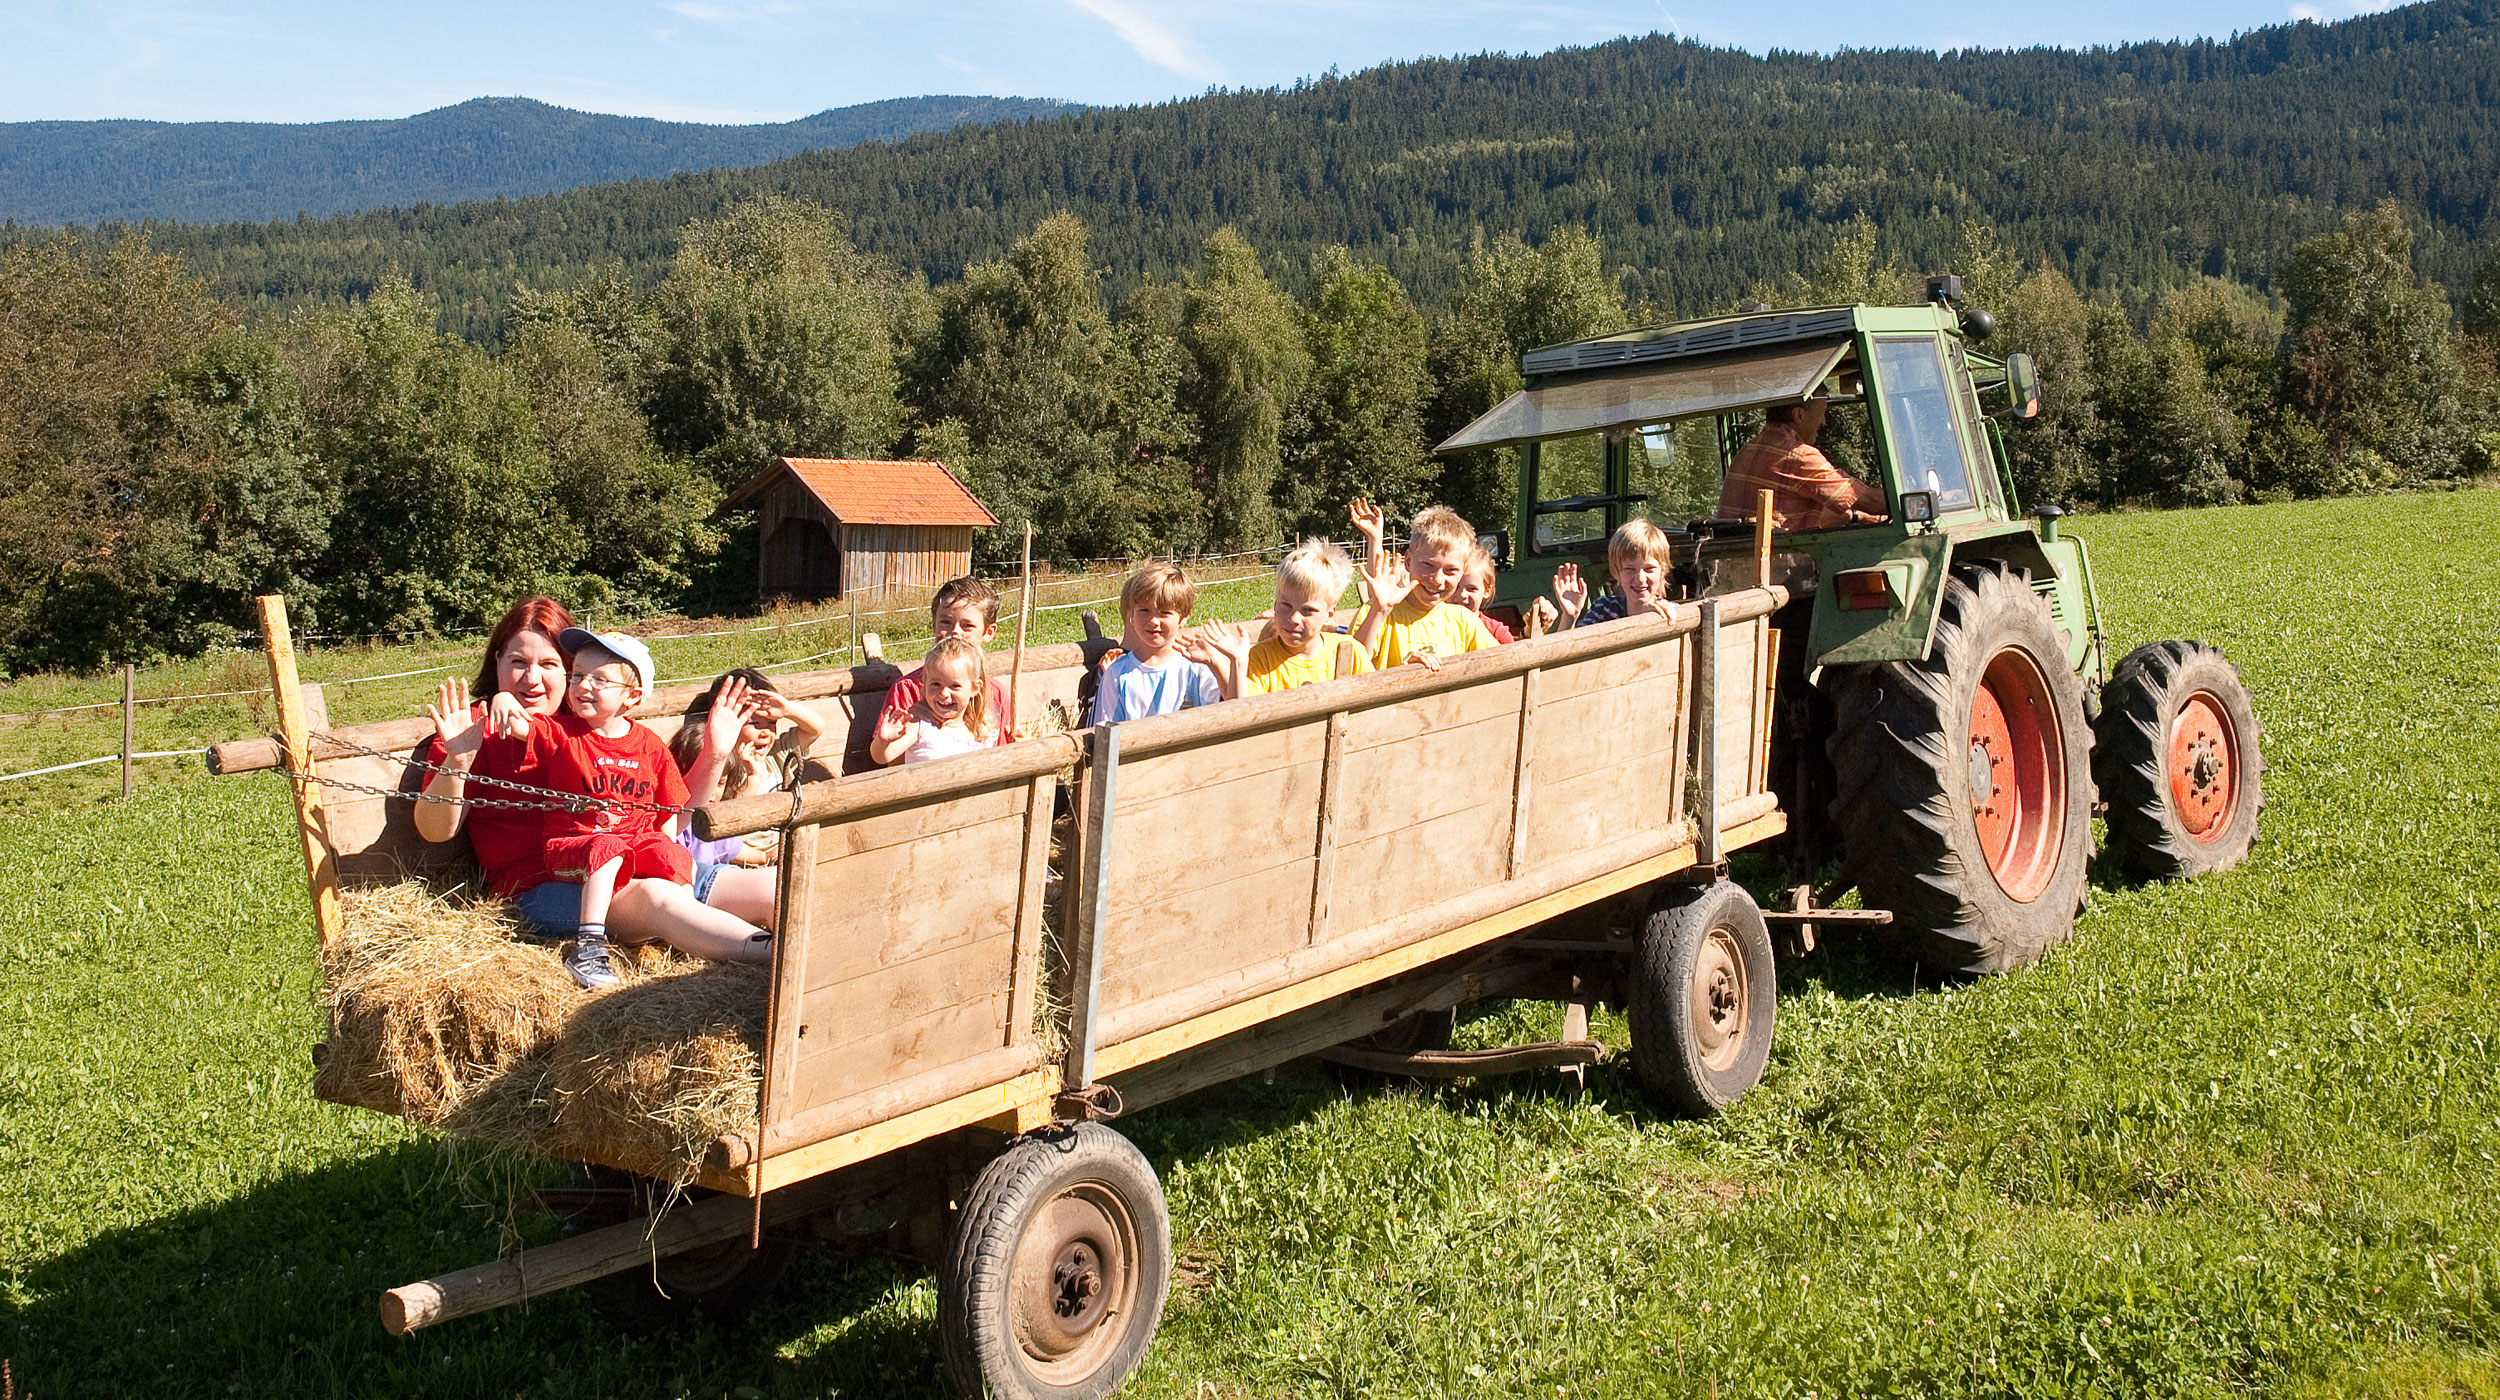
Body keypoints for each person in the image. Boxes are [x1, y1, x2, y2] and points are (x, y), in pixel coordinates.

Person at [420, 599, 774, 968]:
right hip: (547, 888)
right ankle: (773, 954)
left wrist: (716, 752)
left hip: (637, 863)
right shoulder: (473, 730)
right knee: (658, 898)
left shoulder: (604, 727)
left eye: (550, 664)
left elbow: (673, 819)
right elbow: (434, 831)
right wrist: (457, 760)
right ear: (497, 663)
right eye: (518, 662)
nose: (532, 679)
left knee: (770, 888)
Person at [501, 629, 710, 988]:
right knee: (608, 847)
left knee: (675, 855)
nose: (584, 685)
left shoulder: (650, 745)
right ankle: (589, 947)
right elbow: (521, 725)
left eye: (600, 679)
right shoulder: (562, 733)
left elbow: (671, 808)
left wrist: (664, 850)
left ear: (633, 696)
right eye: (578, 675)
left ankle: (681, 937)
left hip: (632, 846)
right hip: (573, 848)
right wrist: (504, 701)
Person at [669, 668, 828, 900]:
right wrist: (752, 780)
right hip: (740, 857)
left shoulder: (777, 755)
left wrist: (787, 709)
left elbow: (816, 728)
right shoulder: (722, 766)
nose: (765, 733)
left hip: (779, 849)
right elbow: (724, 821)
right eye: (755, 723)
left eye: (772, 723)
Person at [1193, 539, 1374, 698]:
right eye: (1285, 606)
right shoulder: (1261, 659)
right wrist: (1238, 661)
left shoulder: (1351, 652)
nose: (1294, 618)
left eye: (1307, 610)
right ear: (1275, 603)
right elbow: (1241, 717)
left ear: (1329, 614)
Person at [1352, 504, 1500, 669]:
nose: (1437, 579)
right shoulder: (1377, 614)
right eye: (1428, 565)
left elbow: (1501, 664)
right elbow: (1350, 668)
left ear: (1462, 572)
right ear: (1408, 561)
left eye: (1450, 570)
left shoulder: (1464, 621)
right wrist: (1378, 612)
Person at [877, 576, 1015, 747]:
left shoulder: (995, 693)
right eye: (946, 622)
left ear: (989, 632)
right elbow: (893, 762)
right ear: (934, 625)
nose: (955, 632)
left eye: (967, 626)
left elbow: (998, 751)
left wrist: (1020, 748)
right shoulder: (909, 689)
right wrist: (912, 720)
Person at [1717, 399, 1888, 531]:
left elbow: (1796, 515)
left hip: (1733, 562)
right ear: (1799, 415)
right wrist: (1911, 505)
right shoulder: (1798, 456)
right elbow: (1871, 501)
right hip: (1778, 566)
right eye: (1822, 413)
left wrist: (1857, 517)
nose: (1824, 422)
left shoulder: (1748, 449)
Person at [1090, 563, 1223, 723]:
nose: (1153, 621)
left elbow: (1225, 718)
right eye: (1144, 611)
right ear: (1131, 614)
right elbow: (1105, 734)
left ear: (1184, 617)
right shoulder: (1117, 675)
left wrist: (1231, 661)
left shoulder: (1196, 669)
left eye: (1164, 613)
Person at [872, 637, 998, 764]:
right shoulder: (920, 725)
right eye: (936, 684)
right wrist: (883, 741)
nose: (943, 693)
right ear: (925, 683)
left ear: (975, 688)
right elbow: (882, 757)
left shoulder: (980, 731)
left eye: (954, 686)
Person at [1553, 519, 1694, 630]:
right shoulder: (1603, 610)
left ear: (1663, 571)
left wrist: (1650, 618)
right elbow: (1566, 657)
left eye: (1649, 568)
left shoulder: (1669, 612)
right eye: (1629, 569)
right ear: (1616, 571)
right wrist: (1569, 617)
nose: (1640, 578)